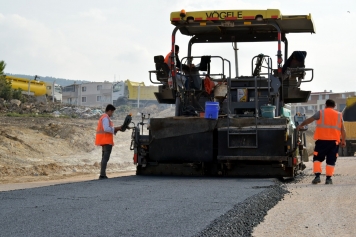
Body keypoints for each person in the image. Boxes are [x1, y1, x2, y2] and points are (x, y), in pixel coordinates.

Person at [296, 99, 346, 185]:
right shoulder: (339, 115)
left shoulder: (321, 113)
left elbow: (309, 120)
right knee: (331, 160)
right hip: (334, 142)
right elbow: (343, 129)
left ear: (326, 105)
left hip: (321, 142)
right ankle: (328, 179)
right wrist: (343, 140)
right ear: (334, 106)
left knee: (317, 159)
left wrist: (301, 125)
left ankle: (317, 177)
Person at [95, 104, 122, 180]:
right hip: (106, 141)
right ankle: (102, 175)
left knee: (104, 158)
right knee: (105, 159)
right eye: (112, 112)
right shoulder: (106, 118)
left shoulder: (103, 117)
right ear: (109, 111)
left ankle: (102, 174)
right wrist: (115, 129)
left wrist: (116, 129)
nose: (112, 114)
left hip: (104, 141)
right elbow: (106, 129)